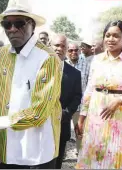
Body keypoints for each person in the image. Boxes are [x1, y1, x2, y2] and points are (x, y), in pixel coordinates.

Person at [0, 0, 62, 169]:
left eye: (19, 23)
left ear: (32, 25)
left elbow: (39, 112)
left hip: (37, 151)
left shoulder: (48, 58)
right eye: (7, 24)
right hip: (8, 149)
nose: (12, 29)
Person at [75, 20, 122, 169]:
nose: (111, 39)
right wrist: (82, 117)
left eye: (116, 36)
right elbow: (90, 89)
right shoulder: (97, 60)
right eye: (107, 35)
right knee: (93, 156)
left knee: (116, 159)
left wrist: (120, 100)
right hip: (96, 118)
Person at [51, 34, 82, 169]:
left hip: (61, 123)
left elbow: (77, 96)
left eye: (63, 46)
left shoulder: (75, 74)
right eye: (56, 45)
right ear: (50, 46)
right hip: (38, 124)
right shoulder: (37, 69)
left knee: (57, 162)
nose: (59, 48)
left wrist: (66, 113)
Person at [66, 42, 90, 153]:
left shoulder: (86, 65)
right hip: (65, 106)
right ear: (67, 51)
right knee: (63, 132)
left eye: (76, 50)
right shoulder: (63, 64)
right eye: (70, 50)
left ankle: (80, 156)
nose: (73, 52)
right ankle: (63, 154)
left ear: (80, 50)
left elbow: (90, 85)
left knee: (79, 132)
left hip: (80, 105)